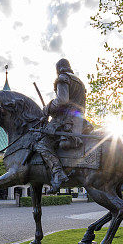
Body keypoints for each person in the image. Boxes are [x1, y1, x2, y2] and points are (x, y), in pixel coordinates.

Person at [34, 58, 87, 194]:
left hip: (65, 121)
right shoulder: (79, 82)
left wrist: (47, 108)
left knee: (41, 144)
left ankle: (58, 173)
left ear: (58, 69)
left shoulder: (63, 78)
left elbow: (62, 100)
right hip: (79, 121)